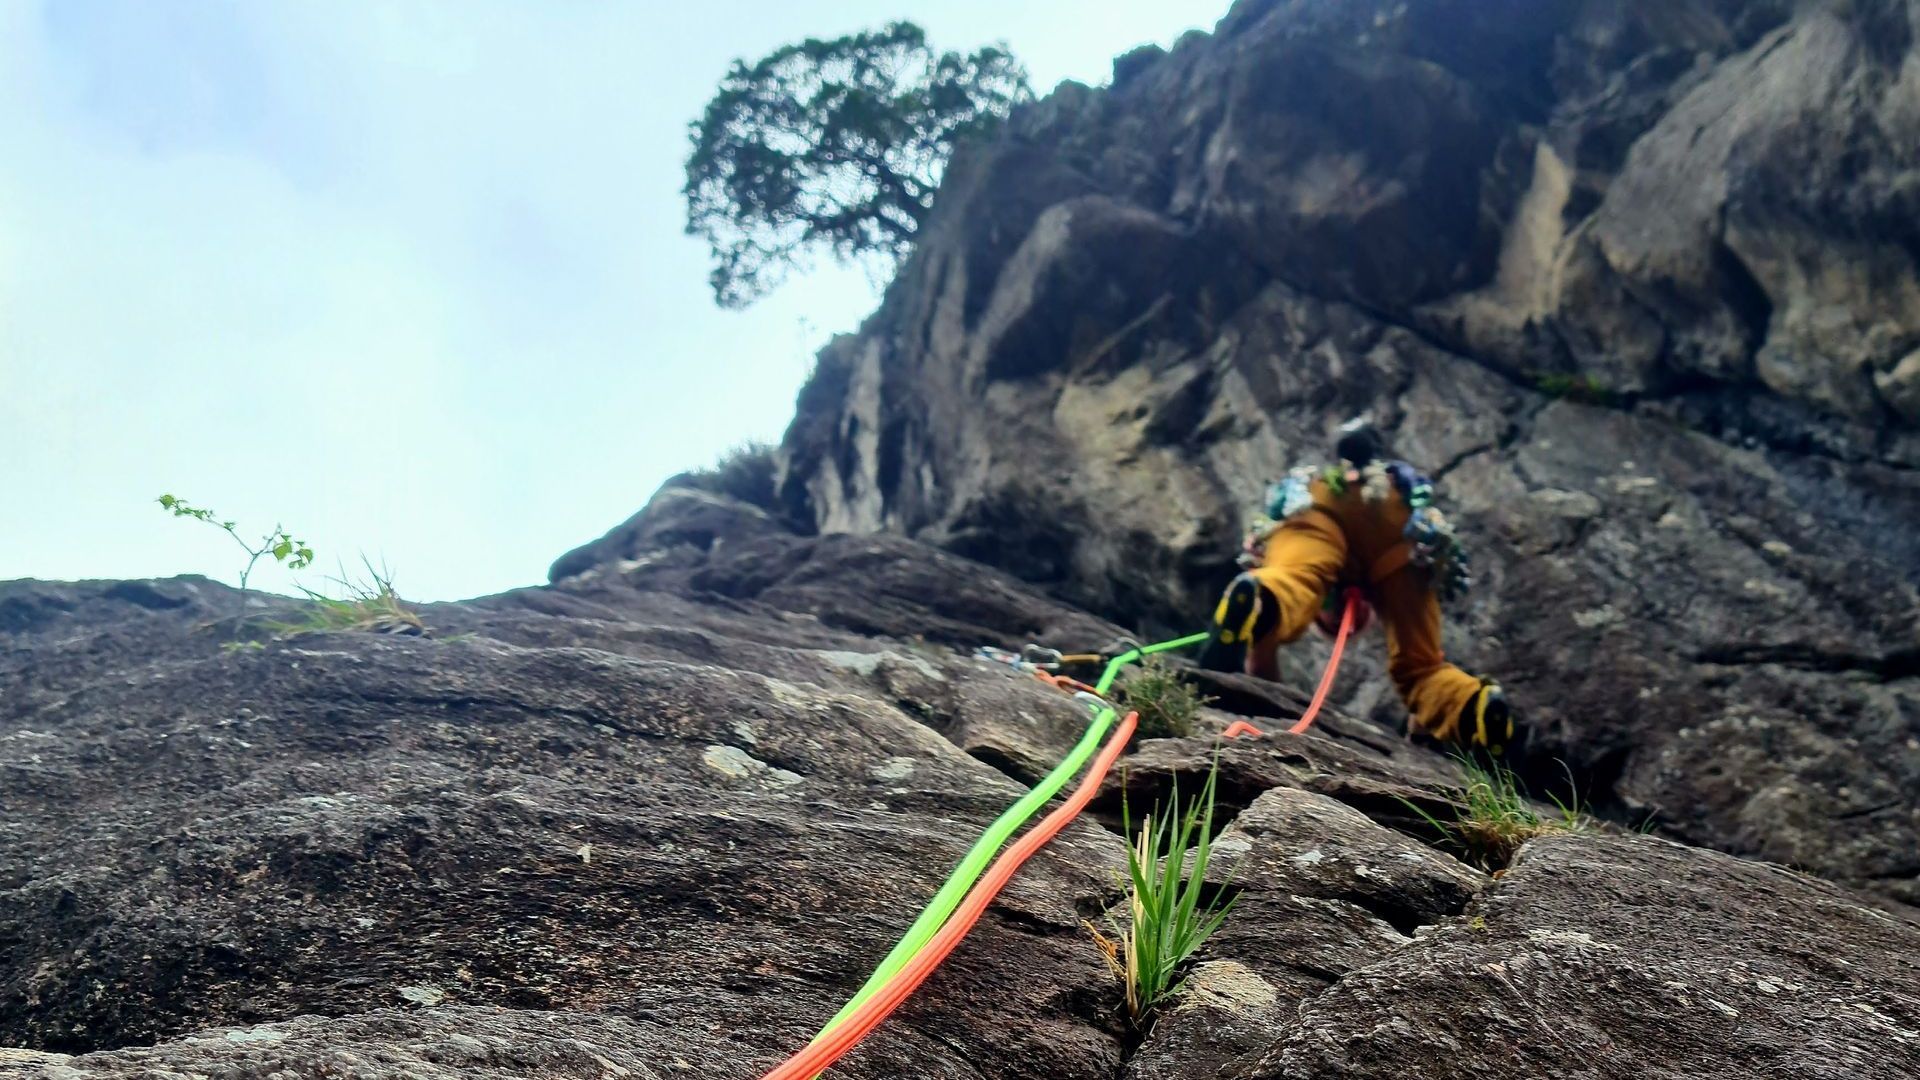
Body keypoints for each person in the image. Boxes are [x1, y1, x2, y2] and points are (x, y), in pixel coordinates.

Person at [1199, 419, 1525, 760]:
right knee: (1422, 664)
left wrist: (1260, 650)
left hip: (1318, 498)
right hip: (1399, 514)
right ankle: (1469, 704)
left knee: (1292, 578)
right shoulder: (1381, 543)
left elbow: (1260, 672)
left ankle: (1263, 594)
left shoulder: (1323, 550)